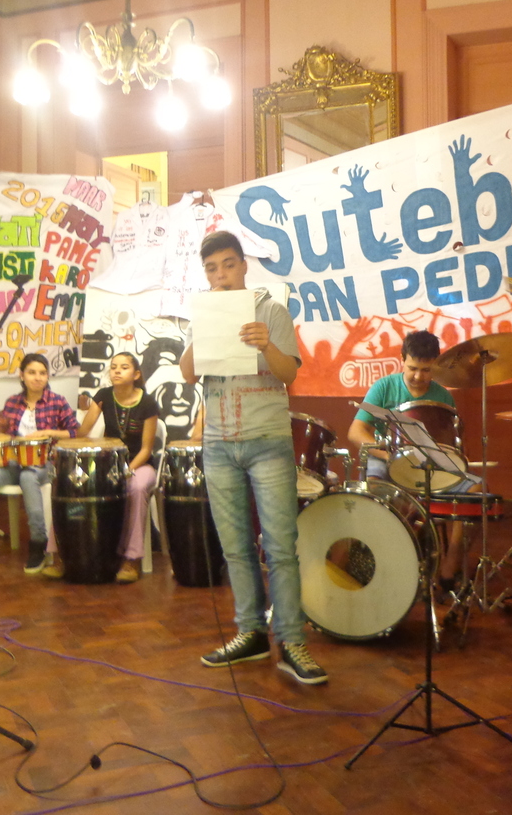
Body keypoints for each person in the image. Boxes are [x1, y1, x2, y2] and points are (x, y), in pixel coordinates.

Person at [180, 230, 327, 685]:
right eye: (211, 268)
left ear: (244, 266)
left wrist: (266, 345)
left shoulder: (272, 311)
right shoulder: (203, 314)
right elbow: (188, 374)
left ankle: (292, 641)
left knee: (280, 546)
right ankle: (251, 633)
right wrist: (204, 327)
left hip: (267, 440)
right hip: (219, 443)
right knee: (235, 547)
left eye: (228, 264)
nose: (220, 275)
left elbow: (288, 375)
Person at [347, 330, 471, 587]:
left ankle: (449, 566)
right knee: (377, 491)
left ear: (436, 365)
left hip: (430, 463)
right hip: (386, 456)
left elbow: (452, 444)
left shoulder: (443, 396)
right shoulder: (384, 387)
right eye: (412, 368)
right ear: (402, 359)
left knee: (474, 493)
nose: (418, 376)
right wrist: (389, 455)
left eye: (426, 370)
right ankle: (384, 559)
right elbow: (356, 432)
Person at [0, 353, 78, 575]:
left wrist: (49, 432)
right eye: (32, 372)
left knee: (29, 476)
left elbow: (75, 432)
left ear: (47, 376)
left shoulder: (57, 401)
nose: (37, 377)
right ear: (22, 375)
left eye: (42, 373)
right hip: (13, 464)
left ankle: (39, 543)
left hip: (45, 464)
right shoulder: (12, 402)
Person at [77, 352, 160, 584]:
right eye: (113, 367)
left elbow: (146, 450)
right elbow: (83, 432)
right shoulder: (103, 396)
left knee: (136, 487)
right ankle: (67, 555)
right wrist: (81, 415)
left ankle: (132, 559)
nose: (116, 371)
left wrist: (126, 471)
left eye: (123, 367)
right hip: (109, 463)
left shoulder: (148, 403)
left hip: (140, 464)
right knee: (76, 485)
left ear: (136, 374)